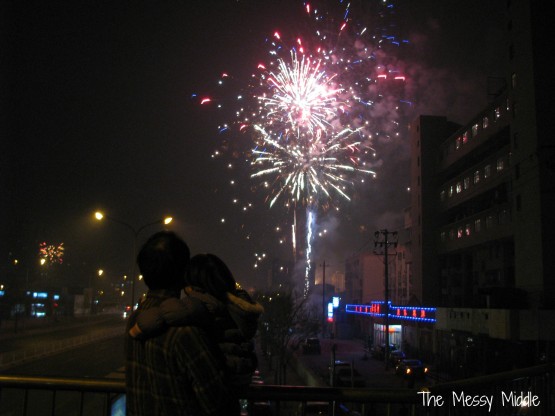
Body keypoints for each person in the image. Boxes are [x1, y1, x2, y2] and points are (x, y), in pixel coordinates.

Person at [125, 231, 236, 416]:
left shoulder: (134, 320)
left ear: (144, 274)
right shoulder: (185, 331)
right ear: (184, 273)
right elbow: (218, 404)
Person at [128, 253, 264, 396]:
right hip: (242, 375)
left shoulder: (200, 304)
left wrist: (138, 327)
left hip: (223, 377)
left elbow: (165, 313)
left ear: (193, 286)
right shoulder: (238, 304)